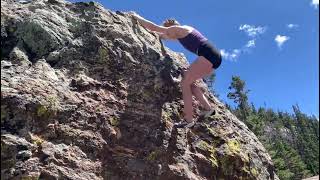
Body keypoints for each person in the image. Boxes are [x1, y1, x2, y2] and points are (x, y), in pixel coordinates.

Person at [131, 13, 222, 128]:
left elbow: (155, 28)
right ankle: (209, 109)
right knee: (190, 83)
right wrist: (154, 33)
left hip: (208, 55)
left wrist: (137, 17)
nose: (168, 34)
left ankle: (188, 120)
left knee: (184, 84)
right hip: (214, 57)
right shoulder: (184, 31)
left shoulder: (176, 29)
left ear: (170, 25)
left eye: (167, 29)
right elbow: (162, 35)